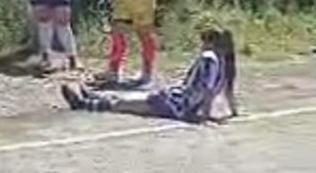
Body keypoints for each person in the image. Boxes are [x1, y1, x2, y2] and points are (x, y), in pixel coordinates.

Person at [62, 27, 238, 123]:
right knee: (131, 99)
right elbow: (226, 92)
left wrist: (204, 116)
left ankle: (86, 103)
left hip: (177, 104)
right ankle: (92, 97)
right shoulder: (225, 64)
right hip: (178, 101)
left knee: (125, 103)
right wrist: (233, 113)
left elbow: (205, 89)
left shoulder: (208, 58)